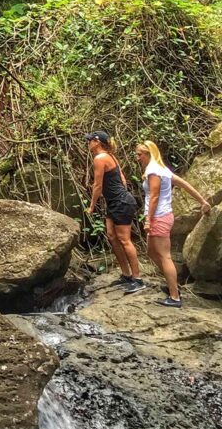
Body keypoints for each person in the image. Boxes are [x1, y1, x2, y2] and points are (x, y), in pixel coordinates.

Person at [136, 140, 212, 308]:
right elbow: (184, 184)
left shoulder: (154, 171)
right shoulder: (162, 169)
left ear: (149, 154)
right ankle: (173, 285)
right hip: (163, 215)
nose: (137, 157)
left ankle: (175, 296)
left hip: (159, 217)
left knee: (164, 256)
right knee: (151, 252)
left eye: (140, 154)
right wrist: (202, 202)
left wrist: (148, 219)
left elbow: (154, 196)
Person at [85, 131, 145, 294]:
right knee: (112, 236)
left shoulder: (100, 158)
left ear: (97, 142)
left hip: (120, 202)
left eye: (90, 140)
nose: (88, 143)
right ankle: (126, 274)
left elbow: (97, 185)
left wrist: (92, 206)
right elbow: (123, 180)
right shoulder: (109, 156)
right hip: (116, 202)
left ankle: (137, 279)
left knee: (125, 240)